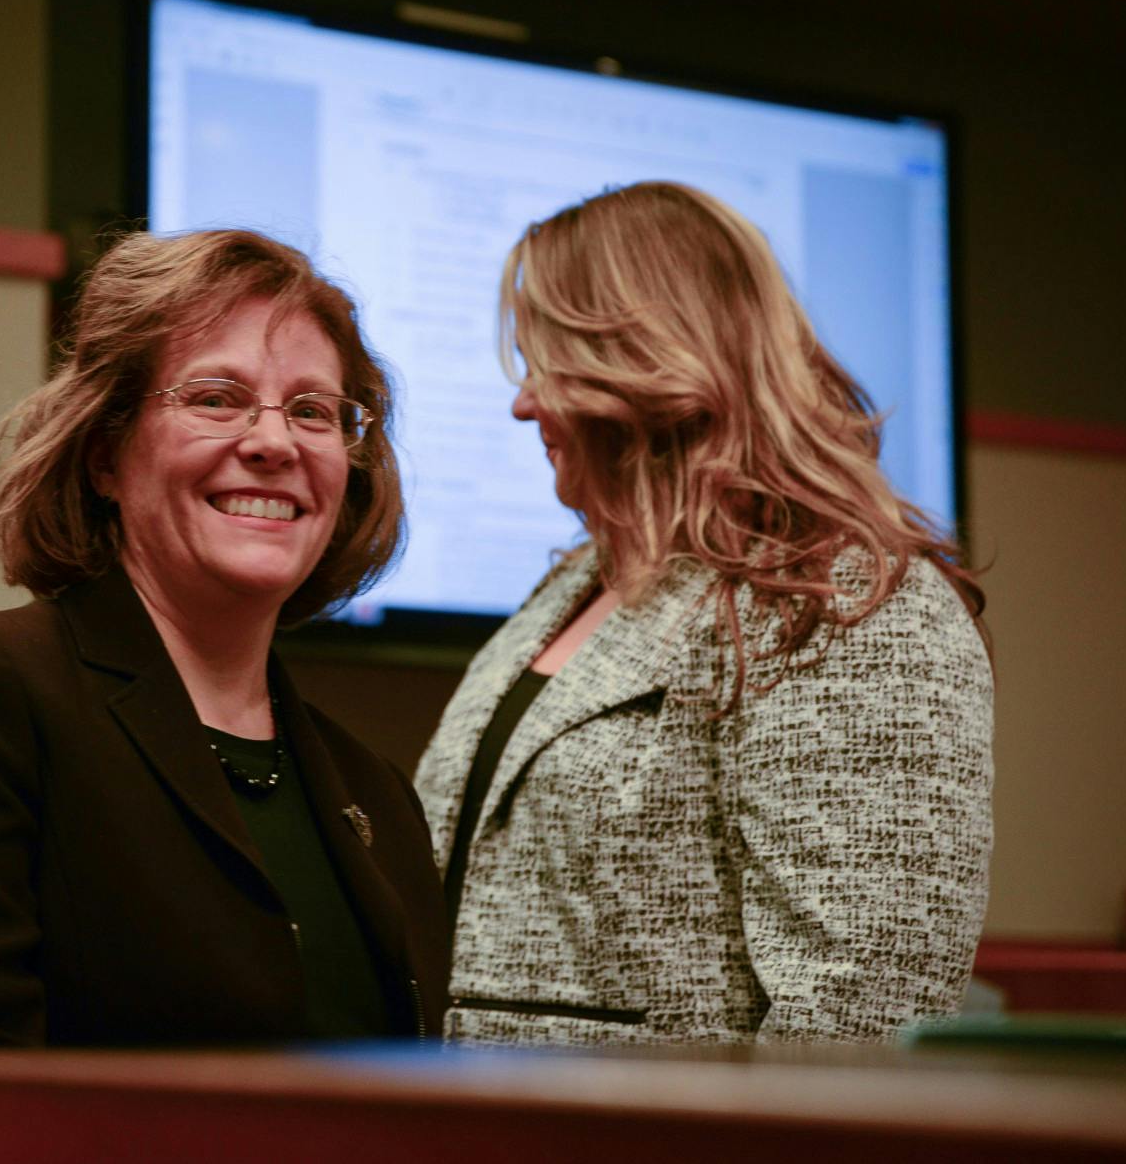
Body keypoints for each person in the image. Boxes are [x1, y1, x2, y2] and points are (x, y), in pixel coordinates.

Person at [0, 229, 450, 1161]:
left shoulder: (377, 793)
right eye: (216, 398)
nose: (273, 442)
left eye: (315, 412)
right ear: (104, 455)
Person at [418, 181, 992, 1046]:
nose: (522, 402)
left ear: (642, 365)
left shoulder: (849, 605)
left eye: (549, 360)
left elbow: (860, 1010)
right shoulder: (570, 588)